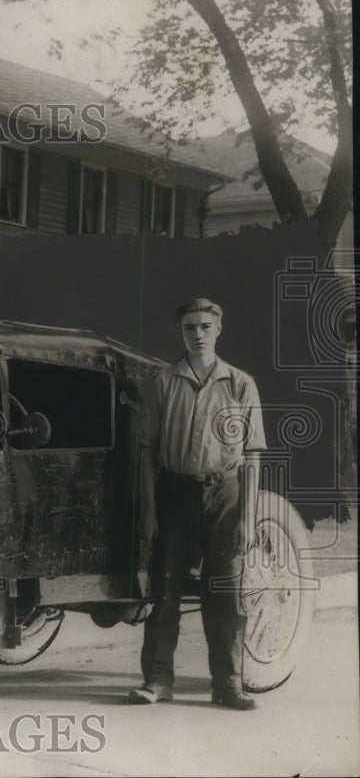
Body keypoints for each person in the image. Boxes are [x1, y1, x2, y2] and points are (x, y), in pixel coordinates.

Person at [128, 297, 266, 710]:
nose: (198, 334)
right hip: (174, 494)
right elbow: (146, 452)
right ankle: (156, 681)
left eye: (206, 326)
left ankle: (227, 684)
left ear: (219, 330)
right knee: (166, 592)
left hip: (226, 495)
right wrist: (150, 512)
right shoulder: (162, 382)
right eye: (190, 328)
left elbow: (253, 455)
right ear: (181, 332)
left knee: (225, 594)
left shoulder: (241, 384)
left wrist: (249, 518)